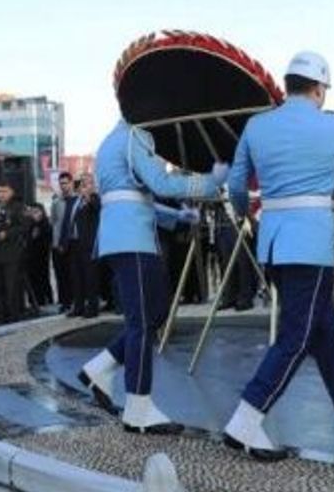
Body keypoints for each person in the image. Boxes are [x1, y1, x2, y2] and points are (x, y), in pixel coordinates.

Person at [221, 51, 334, 462]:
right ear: (319, 89)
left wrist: (250, 213)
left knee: (324, 335)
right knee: (297, 337)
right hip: (311, 242)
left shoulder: (257, 125)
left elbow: (235, 184)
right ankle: (246, 418)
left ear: (288, 85)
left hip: (274, 241)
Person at [77, 118, 227, 434]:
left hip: (124, 237)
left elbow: (135, 199)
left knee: (153, 315)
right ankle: (138, 407)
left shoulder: (111, 140)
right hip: (133, 240)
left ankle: (99, 367)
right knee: (143, 323)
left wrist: (177, 216)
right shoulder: (135, 136)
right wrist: (209, 183)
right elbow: (160, 183)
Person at [0, 182, 29, 325]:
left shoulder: (19, 206)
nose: (1, 194)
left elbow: (25, 226)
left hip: (11, 253)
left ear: (11, 192)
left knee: (11, 287)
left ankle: (13, 317)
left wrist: (7, 234)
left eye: (4, 191)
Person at [68, 174, 102, 318]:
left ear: (93, 185)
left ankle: (92, 307)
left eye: (87, 183)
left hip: (88, 244)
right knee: (77, 277)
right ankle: (78, 306)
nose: (83, 186)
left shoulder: (95, 199)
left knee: (90, 277)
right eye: (82, 183)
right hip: (74, 243)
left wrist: (88, 196)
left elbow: (97, 208)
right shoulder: (76, 201)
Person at [49, 172, 77, 312]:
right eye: (61, 184)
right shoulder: (56, 202)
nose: (64, 186)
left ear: (72, 183)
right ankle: (64, 302)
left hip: (72, 243)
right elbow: (54, 222)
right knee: (61, 274)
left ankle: (75, 301)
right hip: (57, 243)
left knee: (73, 274)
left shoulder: (77, 201)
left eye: (66, 183)